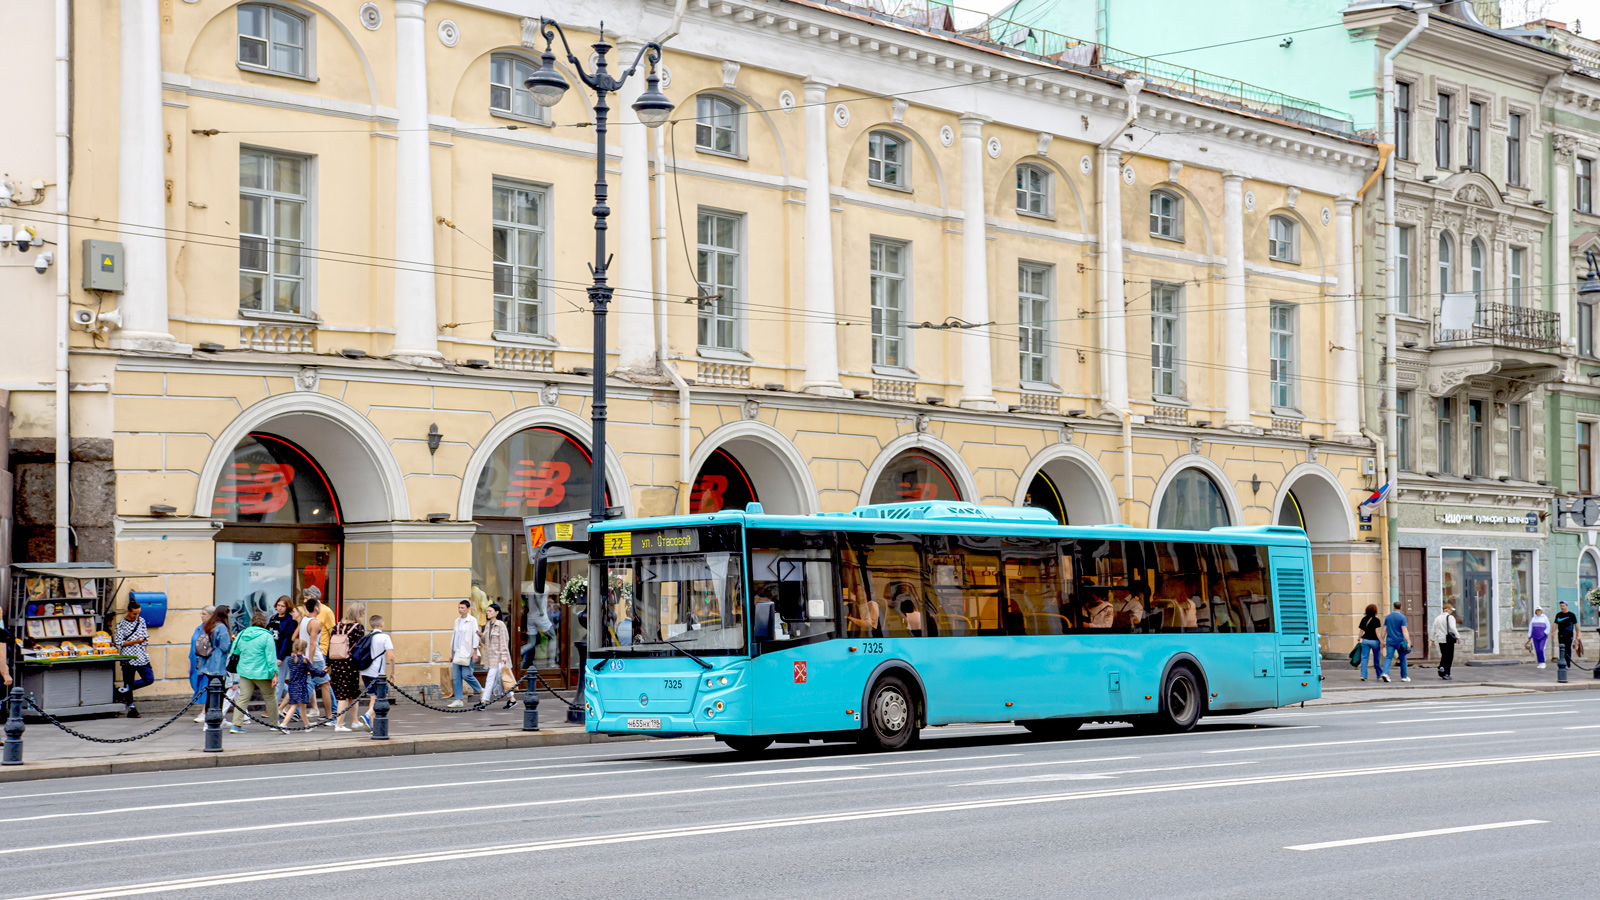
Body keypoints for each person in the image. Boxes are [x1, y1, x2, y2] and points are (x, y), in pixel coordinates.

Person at [227, 610, 281, 733]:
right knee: (270, 698)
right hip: (262, 673)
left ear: (252, 622)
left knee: (243, 698)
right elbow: (271, 658)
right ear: (264, 623)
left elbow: (235, 652)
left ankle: (236, 725)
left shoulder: (242, 634)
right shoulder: (267, 636)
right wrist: (274, 674)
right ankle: (274, 723)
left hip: (245, 671)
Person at [328, 602, 366, 732]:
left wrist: (328, 664)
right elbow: (360, 647)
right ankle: (339, 724)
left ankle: (355, 721)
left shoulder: (337, 626)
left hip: (336, 663)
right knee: (344, 696)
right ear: (359, 613)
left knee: (351, 694)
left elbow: (330, 645)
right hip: (350, 665)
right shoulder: (358, 628)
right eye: (362, 613)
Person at [190, 605, 232, 723]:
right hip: (217, 664)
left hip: (206, 663)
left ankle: (209, 718)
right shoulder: (221, 627)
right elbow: (225, 646)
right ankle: (215, 719)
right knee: (219, 692)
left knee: (211, 692)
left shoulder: (208, 626)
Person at [113, 600, 154, 718]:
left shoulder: (141, 621)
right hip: (128, 657)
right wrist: (135, 642)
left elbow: (145, 638)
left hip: (141, 656)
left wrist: (145, 652)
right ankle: (131, 708)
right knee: (128, 680)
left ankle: (124, 689)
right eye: (134, 614)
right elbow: (119, 643)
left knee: (149, 679)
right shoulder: (121, 624)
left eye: (138, 613)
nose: (136, 616)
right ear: (128, 611)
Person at [300, 591, 334, 719]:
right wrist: (310, 661)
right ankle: (329, 716)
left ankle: (292, 711)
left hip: (305, 656)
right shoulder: (315, 623)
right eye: (319, 606)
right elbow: (313, 643)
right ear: (315, 608)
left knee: (305, 685)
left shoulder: (304, 620)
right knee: (325, 685)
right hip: (315, 657)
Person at [359, 614, 394, 730]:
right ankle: (367, 715)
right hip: (377, 673)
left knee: (373, 698)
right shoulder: (385, 637)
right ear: (381, 624)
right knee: (381, 699)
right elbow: (391, 657)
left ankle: (372, 725)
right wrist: (392, 672)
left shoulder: (367, 637)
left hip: (365, 672)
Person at [449, 599, 485, 708]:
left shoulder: (472, 620)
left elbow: (475, 636)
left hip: (467, 651)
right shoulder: (457, 621)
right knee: (456, 676)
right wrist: (452, 653)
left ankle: (481, 690)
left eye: (462, 608)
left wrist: (474, 652)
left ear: (468, 609)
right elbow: (455, 637)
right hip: (457, 651)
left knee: (467, 674)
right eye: (459, 608)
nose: (460, 610)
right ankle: (458, 700)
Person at [481, 603, 514, 704]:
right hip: (491, 657)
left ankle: (484, 701)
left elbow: (504, 641)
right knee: (502, 679)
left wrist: (504, 656)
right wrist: (480, 635)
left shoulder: (501, 625)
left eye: (490, 611)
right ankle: (512, 699)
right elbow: (484, 641)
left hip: (499, 657)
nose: (487, 613)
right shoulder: (488, 625)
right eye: (487, 611)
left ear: (496, 612)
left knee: (490, 678)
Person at [279, 638, 313, 730]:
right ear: (305, 648)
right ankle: (284, 724)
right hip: (301, 686)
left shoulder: (290, 660)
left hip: (292, 684)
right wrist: (323, 672)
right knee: (294, 706)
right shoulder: (305, 660)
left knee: (302, 707)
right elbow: (313, 670)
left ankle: (307, 725)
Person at [1430, 604, 1460, 680]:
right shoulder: (1450, 618)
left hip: (1440, 639)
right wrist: (1458, 636)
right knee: (1449, 656)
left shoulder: (1437, 618)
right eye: (1451, 610)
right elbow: (1452, 628)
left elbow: (1433, 629)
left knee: (1444, 655)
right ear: (1447, 610)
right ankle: (1446, 672)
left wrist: (1432, 640)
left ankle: (1442, 668)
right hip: (1448, 639)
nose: (1451, 612)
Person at [1382, 601, 1410, 683]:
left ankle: (1385, 673)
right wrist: (1408, 641)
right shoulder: (1402, 617)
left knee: (1388, 657)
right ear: (1400, 607)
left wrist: (1382, 641)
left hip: (1389, 640)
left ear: (1393, 607)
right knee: (1402, 658)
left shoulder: (1388, 617)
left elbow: (1384, 630)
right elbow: (1404, 631)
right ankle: (1404, 676)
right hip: (1399, 641)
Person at [1358, 604, 1386, 682]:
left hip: (1365, 641)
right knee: (1376, 659)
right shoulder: (1376, 620)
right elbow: (1377, 632)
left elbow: (1361, 631)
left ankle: (1363, 675)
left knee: (1364, 658)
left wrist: (1358, 638)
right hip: (1375, 641)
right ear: (1375, 611)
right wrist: (1382, 641)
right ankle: (1379, 675)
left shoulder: (1364, 619)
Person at [1555, 601, 1579, 669]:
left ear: (1566, 606)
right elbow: (1555, 623)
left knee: (1568, 648)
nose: (1562, 607)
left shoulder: (1571, 615)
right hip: (1561, 634)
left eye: (1563, 606)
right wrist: (1553, 631)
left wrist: (1577, 635)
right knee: (1561, 648)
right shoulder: (1558, 615)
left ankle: (1568, 663)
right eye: (1561, 606)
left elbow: (1576, 625)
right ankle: (1562, 662)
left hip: (1569, 634)